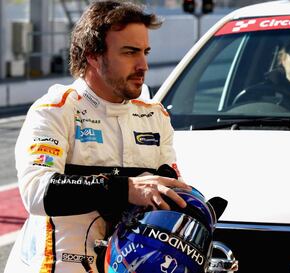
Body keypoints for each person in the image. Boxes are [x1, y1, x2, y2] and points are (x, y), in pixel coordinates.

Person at [4, 1, 191, 273]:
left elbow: (167, 188)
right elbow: (36, 193)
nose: (143, 65)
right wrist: (126, 189)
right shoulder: (56, 109)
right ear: (92, 55)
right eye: (129, 52)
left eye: (145, 52)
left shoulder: (155, 116)